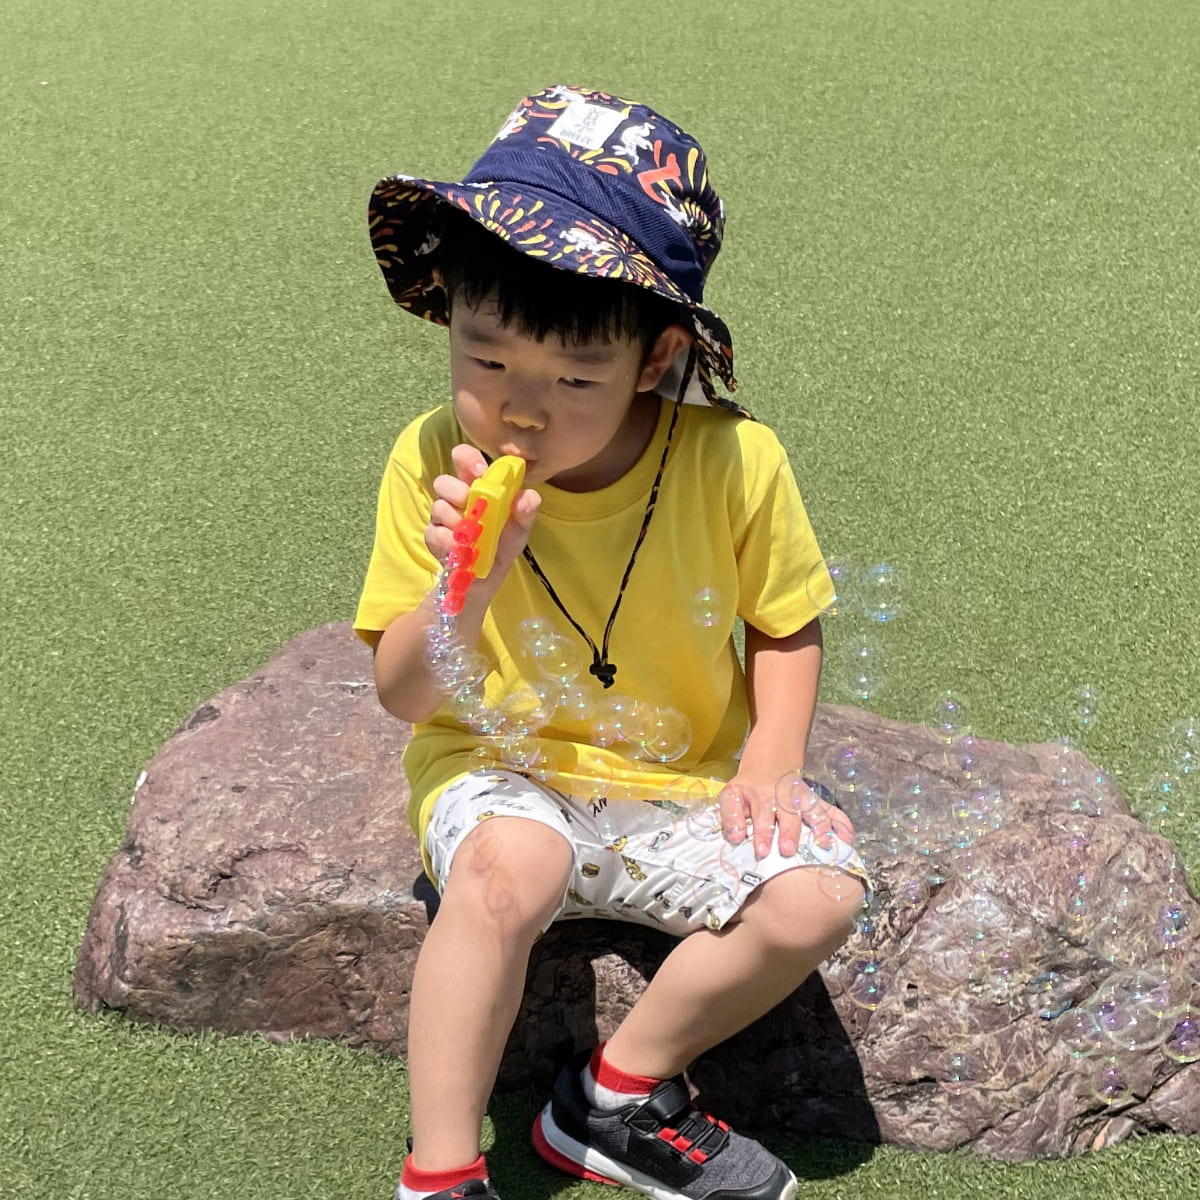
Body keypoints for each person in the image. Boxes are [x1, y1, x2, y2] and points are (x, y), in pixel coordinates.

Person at [354, 85, 868, 1200]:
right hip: (503, 768)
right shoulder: (431, 457)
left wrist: (773, 763)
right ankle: (439, 1175)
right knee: (511, 868)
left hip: (683, 784)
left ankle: (616, 1095)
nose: (522, 410)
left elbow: (785, 623)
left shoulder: (734, 462)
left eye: (576, 377)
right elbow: (404, 693)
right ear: (450, 316)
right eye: (487, 357)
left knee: (820, 896)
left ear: (654, 356)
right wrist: (464, 588)